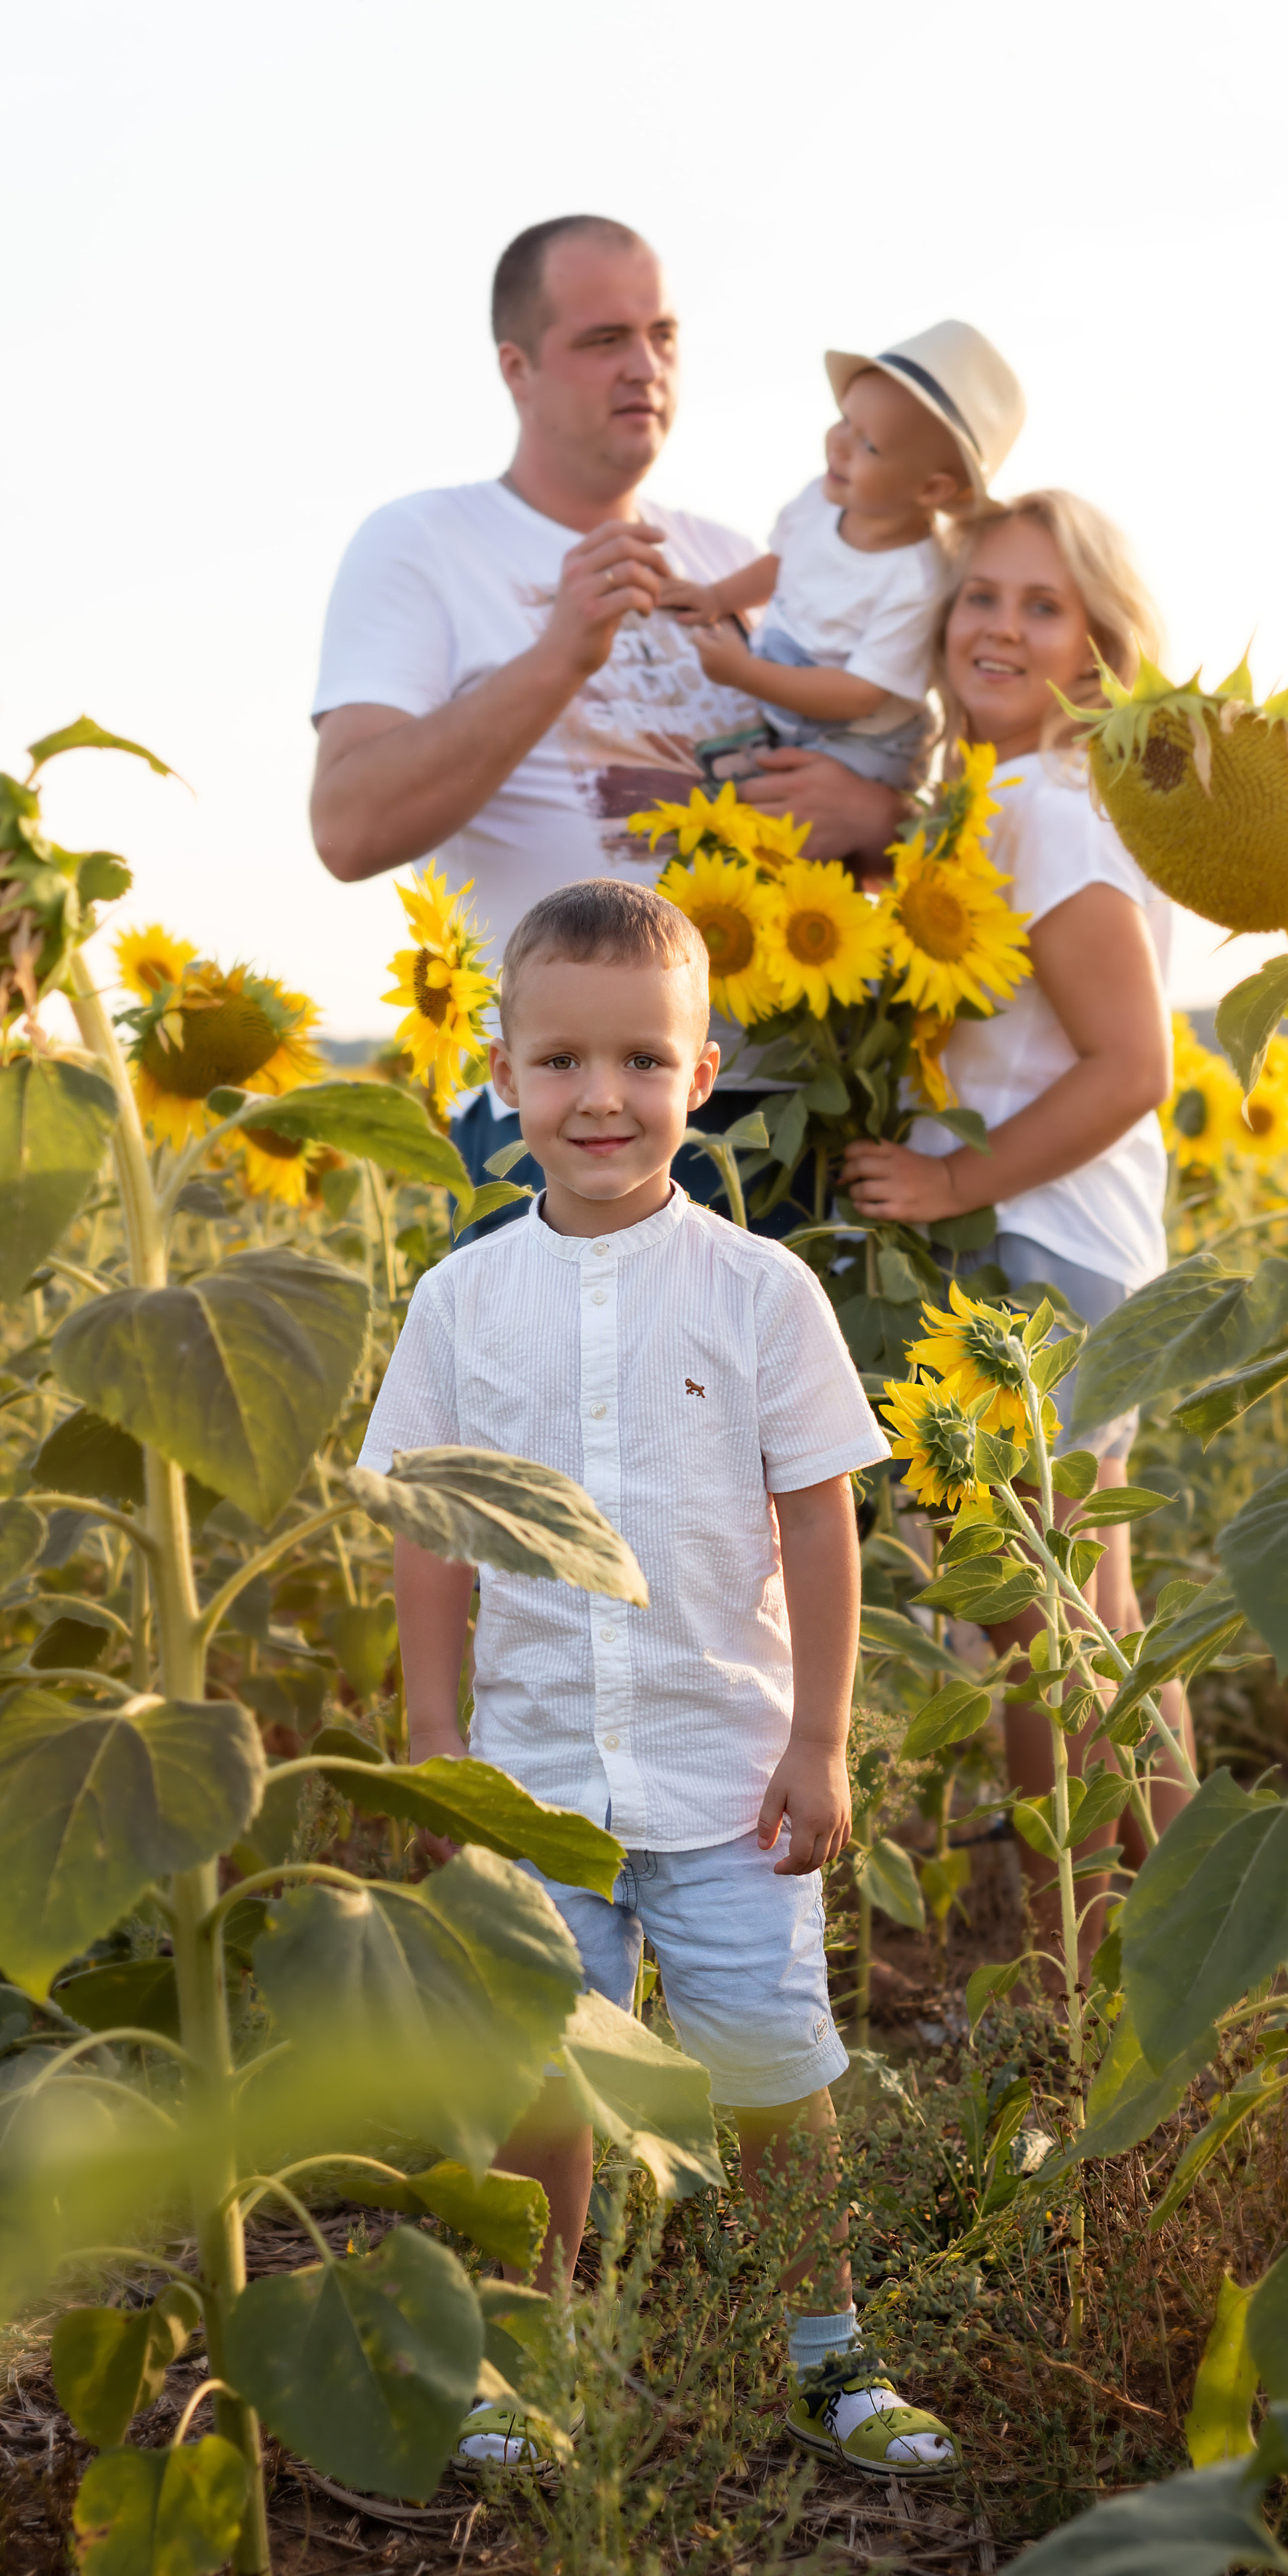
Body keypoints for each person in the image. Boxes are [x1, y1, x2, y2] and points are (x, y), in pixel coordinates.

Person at [358, 878, 958, 2482]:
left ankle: (829, 2361)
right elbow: (428, 1532)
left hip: (723, 1772)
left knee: (774, 2077)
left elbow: (818, 1522)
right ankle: (516, 2360)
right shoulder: (458, 1300)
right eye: (560, 1062)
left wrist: (820, 1742)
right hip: (534, 1776)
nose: (598, 1098)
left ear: (699, 1080)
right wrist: (432, 1745)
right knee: (534, 2074)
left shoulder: (762, 1294)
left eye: (639, 1061)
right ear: (499, 1074)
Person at [307, 217, 931, 1207]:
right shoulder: (425, 543)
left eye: (663, 336)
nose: (644, 365)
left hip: (784, 1107)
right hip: (565, 1126)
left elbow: (870, 797)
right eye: (604, 340)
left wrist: (876, 822)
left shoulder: (734, 556)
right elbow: (348, 823)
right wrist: (561, 654)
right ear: (517, 368)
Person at [837, 491, 1194, 1962]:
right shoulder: (995, 801)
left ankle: (1077, 1967)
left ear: (1096, 652)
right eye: (978, 594)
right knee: (1090, 1612)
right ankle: (1158, 1962)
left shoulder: (1045, 811)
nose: (995, 623)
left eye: (1040, 606)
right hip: (1068, 1241)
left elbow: (1132, 1064)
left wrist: (944, 1188)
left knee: (1033, 1618)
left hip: (1031, 1242)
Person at [664, 322, 1024, 802]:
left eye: (869, 445)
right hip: (790, 702)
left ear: (931, 490)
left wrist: (745, 673)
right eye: (844, 420)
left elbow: (859, 694)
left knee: (797, 817)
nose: (839, 444)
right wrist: (716, 597)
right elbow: (781, 564)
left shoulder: (916, 579)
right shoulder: (819, 502)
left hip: (863, 744)